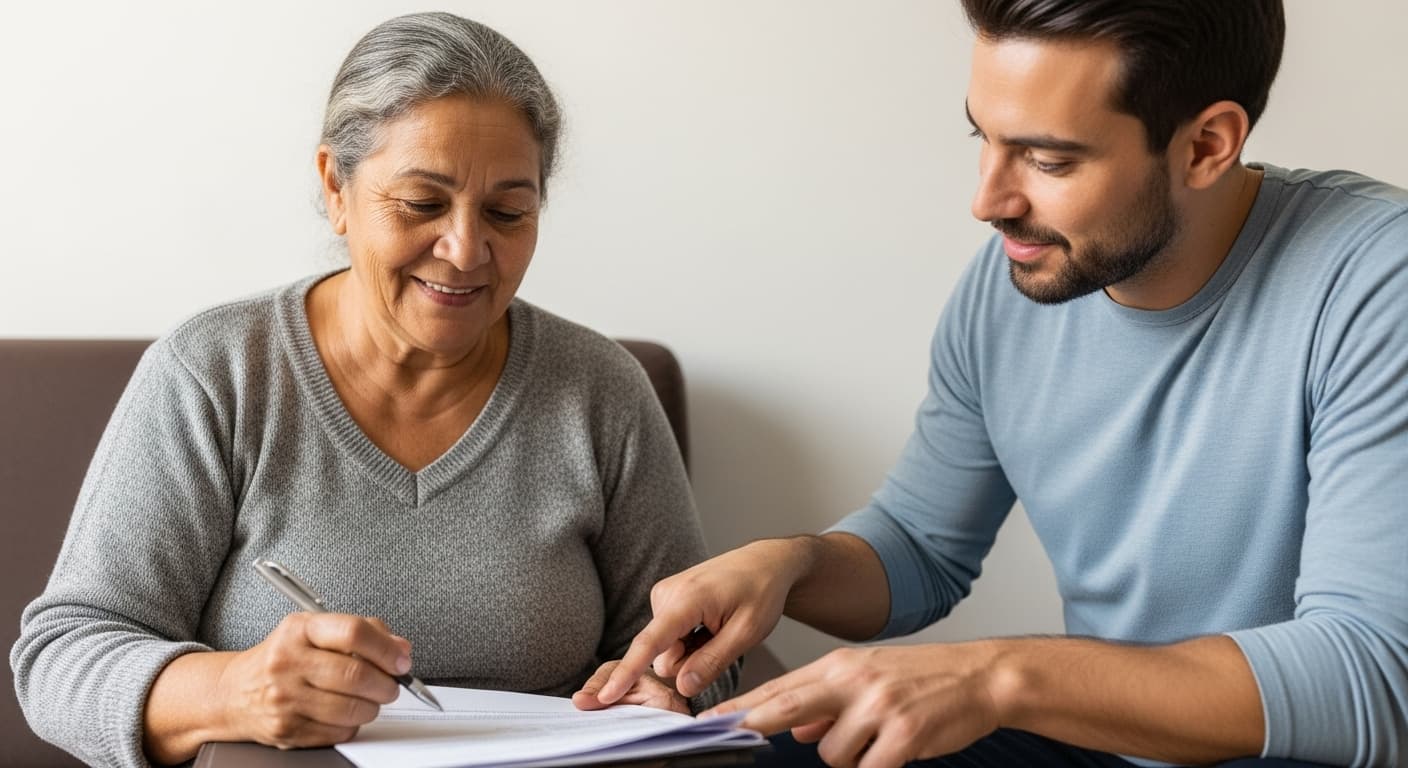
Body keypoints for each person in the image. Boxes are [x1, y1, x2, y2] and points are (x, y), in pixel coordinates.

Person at [582, 1, 1408, 766]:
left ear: (1206, 146)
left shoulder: (1377, 281)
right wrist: (789, 565)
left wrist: (993, 677)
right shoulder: (1018, 280)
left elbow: (1371, 676)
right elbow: (921, 548)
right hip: (1104, 747)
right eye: (983, 137)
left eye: (1049, 159)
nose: (987, 200)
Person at [10, 12, 733, 768]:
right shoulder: (215, 373)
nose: (465, 250)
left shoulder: (601, 391)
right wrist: (236, 691)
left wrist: (668, 689)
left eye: (507, 212)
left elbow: (696, 650)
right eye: (422, 203)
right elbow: (62, 661)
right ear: (336, 187)